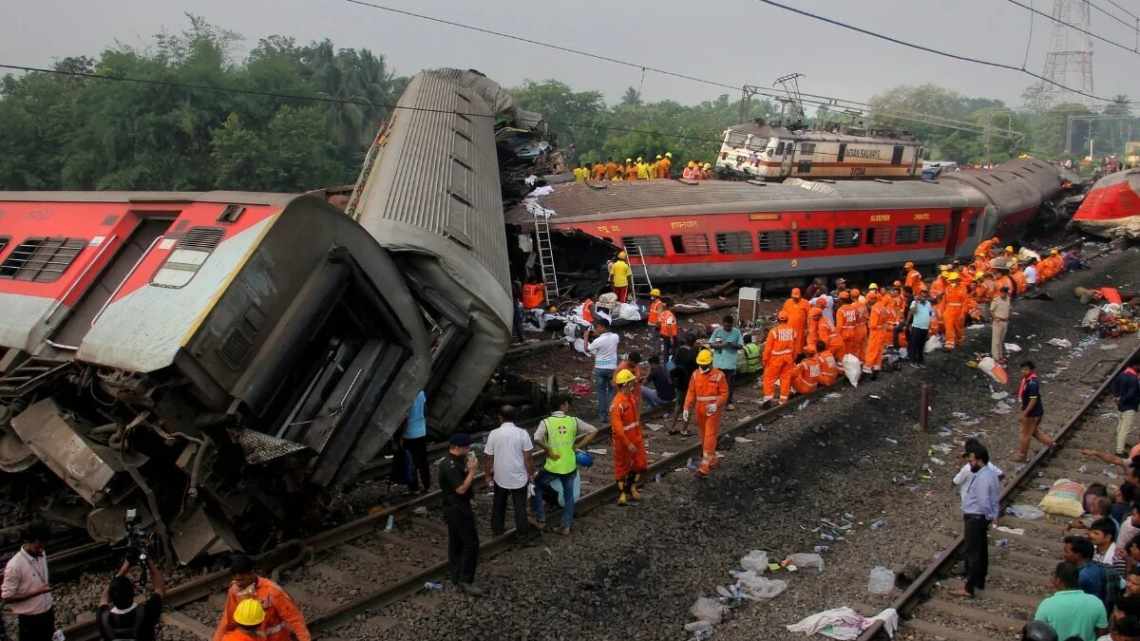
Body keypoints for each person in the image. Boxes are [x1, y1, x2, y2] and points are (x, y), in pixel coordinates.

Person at [532, 397, 598, 535]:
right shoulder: (573, 421)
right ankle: (566, 526)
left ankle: (541, 519)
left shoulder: (546, 423)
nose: (568, 406)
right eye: (567, 404)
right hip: (570, 466)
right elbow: (593, 430)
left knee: (537, 486)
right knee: (569, 497)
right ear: (563, 405)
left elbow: (536, 438)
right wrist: (578, 446)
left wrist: (548, 449)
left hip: (553, 466)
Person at [212, 554, 310, 641]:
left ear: (252, 572)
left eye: (242, 580)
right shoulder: (235, 590)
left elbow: (294, 618)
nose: (239, 584)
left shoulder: (272, 591)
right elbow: (228, 620)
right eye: (236, 580)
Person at [953, 444, 1000, 598]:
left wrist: (987, 515)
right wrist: (993, 515)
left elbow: (983, 500)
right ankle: (979, 581)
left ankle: (969, 587)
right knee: (981, 551)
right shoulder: (991, 474)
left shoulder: (982, 478)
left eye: (972, 461)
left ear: (979, 460)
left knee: (972, 552)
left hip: (975, 518)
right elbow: (995, 498)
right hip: (981, 518)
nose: (970, 464)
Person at [438, 433, 481, 594]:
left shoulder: (454, 461)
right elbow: (461, 489)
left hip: (453, 507)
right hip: (458, 508)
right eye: (466, 447)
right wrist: (472, 471)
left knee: (456, 542)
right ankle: (466, 580)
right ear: (457, 447)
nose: (468, 449)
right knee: (471, 543)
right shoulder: (449, 465)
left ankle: (456, 575)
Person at [483, 406, 534, 540]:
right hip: (519, 476)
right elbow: (528, 457)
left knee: (499, 503)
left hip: (500, 476)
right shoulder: (522, 433)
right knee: (520, 506)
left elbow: (488, 457)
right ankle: (523, 535)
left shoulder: (494, 433)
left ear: (500, 417)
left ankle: (497, 529)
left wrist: (488, 475)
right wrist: (531, 473)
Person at [2, 523, 54, 641]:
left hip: (48, 612)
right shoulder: (14, 566)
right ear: (29, 541)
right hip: (31, 620)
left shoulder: (41, 553)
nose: (42, 550)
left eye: (43, 546)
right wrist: (38, 592)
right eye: (38, 546)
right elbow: (7, 598)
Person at [1034, 561, 1109, 641]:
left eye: (1053, 576)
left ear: (1058, 580)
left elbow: (1037, 633)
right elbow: (1102, 633)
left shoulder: (1047, 604)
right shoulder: (1096, 602)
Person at [683, 349, 729, 478]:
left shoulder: (719, 375)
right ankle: (712, 460)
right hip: (700, 409)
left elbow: (725, 393)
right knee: (703, 436)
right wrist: (686, 408)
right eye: (701, 364)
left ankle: (704, 467)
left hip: (712, 410)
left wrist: (716, 404)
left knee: (709, 436)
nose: (702, 366)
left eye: (704, 364)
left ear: (710, 363)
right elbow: (691, 392)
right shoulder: (695, 375)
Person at [96, 556, 165, 641]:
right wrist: (149, 561)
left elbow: (104, 597)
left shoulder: (103, 617)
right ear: (133, 593)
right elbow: (159, 588)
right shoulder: (146, 611)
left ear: (112, 597)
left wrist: (123, 569)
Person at [610, 369, 647, 506]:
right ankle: (623, 494)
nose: (633, 384)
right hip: (623, 441)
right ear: (625, 384)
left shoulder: (630, 398)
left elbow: (635, 420)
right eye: (631, 382)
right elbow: (618, 428)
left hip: (635, 437)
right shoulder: (617, 404)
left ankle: (631, 487)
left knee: (640, 464)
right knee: (622, 467)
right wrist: (627, 443)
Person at [1017, 361, 1056, 462]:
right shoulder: (1026, 380)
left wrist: (1024, 414)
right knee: (1034, 432)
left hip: (1032, 413)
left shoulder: (1032, 383)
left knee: (1025, 434)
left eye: (1026, 369)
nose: (1023, 371)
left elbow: (1033, 400)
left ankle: (1022, 456)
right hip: (1034, 412)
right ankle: (1051, 444)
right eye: (1022, 369)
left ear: (1031, 370)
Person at [587, 319, 619, 423]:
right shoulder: (615, 337)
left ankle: (603, 417)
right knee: (612, 391)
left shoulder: (598, 341)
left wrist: (585, 337)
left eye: (597, 327)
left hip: (600, 369)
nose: (596, 329)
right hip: (612, 369)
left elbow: (587, 349)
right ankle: (612, 413)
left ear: (602, 327)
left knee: (601, 393)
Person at [761, 311, 797, 406]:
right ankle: (783, 400)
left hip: (775, 359)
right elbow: (795, 345)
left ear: (778, 320)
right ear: (787, 320)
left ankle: (768, 400)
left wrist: (764, 360)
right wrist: (794, 357)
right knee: (785, 379)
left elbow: (768, 348)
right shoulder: (792, 330)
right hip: (788, 358)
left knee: (769, 379)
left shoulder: (774, 331)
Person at [708, 315, 743, 408]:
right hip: (718, 363)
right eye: (726, 326)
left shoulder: (736, 332)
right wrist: (720, 345)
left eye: (729, 326)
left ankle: (728, 402)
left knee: (729, 384)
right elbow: (711, 344)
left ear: (732, 325)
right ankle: (716, 402)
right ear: (723, 323)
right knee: (715, 384)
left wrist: (732, 344)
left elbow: (740, 346)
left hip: (730, 363)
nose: (728, 328)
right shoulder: (717, 331)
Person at [1066, 536, 1110, 604]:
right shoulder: (1099, 567)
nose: (1064, 555)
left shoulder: (1082, 576)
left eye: (1067, 552)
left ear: (1078, 555)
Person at [402, 390, 430, 494]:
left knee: (410, 462)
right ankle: (426, 485)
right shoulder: (421, 393)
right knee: (423, 461)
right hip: (421, 432)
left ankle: (414, 488)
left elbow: (404, 417)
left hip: (409, 434)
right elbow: (425, 410)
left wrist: (401, 436)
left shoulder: (406, 395)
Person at [1115, 364, 1140, 457]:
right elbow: (1131, 394)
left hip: (1120, 406)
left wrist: (1117, 398)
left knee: (1120, 425)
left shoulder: (1122, 374)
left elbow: (1114, 386)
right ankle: (1119, 451)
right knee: (1125, 429)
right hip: (1129, 407)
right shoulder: (1134, 380)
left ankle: (1120, 443)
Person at [906, 288, 934, 365]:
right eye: (922, 294)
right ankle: (912, 361)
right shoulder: (914, 302)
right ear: (919, 295)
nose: (924, 296)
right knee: (914, 345)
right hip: (917, 327)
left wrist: (930, 327)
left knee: (921, 346)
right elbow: (912, 312)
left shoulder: (928, 303)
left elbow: (931, 314)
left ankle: (920, 361)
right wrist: (916, 302)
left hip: (925, 328)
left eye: (925, 294)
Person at [782, 288, 811, 355]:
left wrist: (808, 328)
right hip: (789, 328)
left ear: (800, 295)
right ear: (791, 296)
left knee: (799, 345)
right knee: (789, 343)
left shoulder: (805, 303)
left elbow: (809, 316)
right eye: (794, 297)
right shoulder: (787, 302)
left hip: (800, 329)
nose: (795, 299)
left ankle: (798, 357)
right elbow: (783, 314)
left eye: (797, 297)